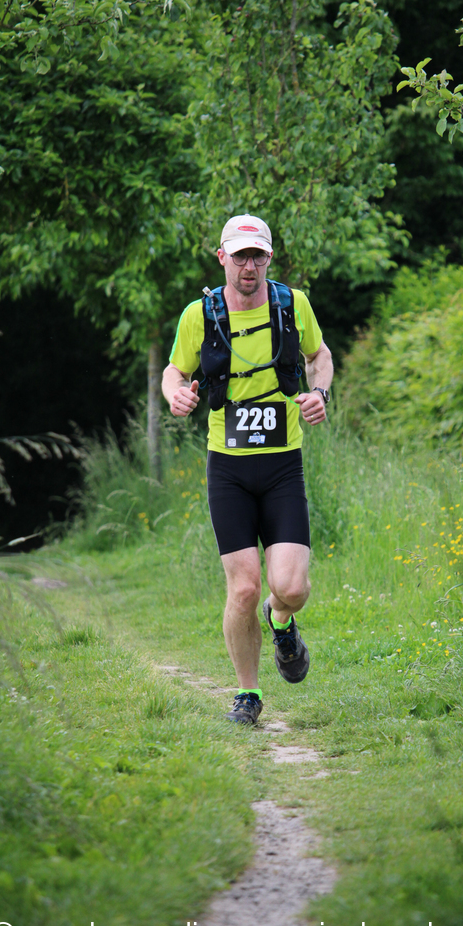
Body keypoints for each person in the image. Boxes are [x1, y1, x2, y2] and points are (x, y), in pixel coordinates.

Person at [162, 214, 333, 725]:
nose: (249, 266)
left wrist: (320, 393)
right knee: (243, 588)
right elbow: (175, 370)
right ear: (223, 258)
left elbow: (319, 356)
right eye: (240, 256)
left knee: (292, 588)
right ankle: (248, 694)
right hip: (229, 470)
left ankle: (281, 622)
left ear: (269, 258)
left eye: (257, 256)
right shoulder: (200, 315)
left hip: (282, 467)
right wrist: (175, 394)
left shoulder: (292, 305)